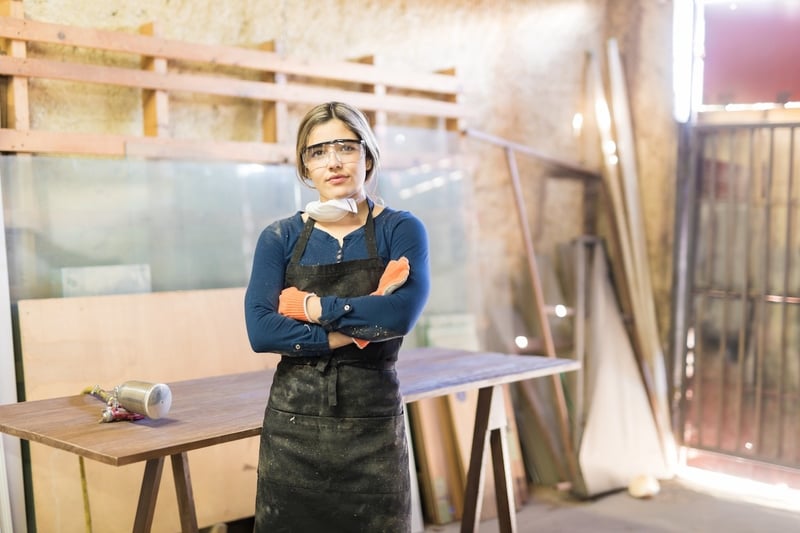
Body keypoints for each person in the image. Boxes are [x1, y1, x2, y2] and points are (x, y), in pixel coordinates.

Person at [244, 101, 431, 532]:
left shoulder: (400, 229)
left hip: (373, 427)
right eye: (318, 152)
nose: (333, 162)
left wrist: (310, 308)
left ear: (367, 156)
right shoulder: (280, 237)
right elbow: (260, 329)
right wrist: (357, 330)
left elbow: (399, 315)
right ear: (305, 167)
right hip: (293, 426)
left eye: (345, 147)